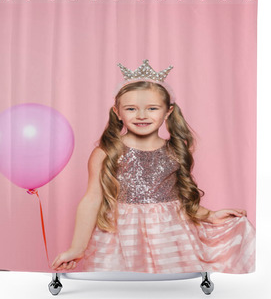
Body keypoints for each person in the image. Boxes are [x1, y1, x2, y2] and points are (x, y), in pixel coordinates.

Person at [51, 59, 255, 274]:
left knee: (171, 286)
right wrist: (77, 247)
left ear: (168, 111)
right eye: (131, 108)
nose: (141, 115)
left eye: (152, 108)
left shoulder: (175, 150)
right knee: (120, 288)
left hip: (170, 234)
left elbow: (182, 198)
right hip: (121, 237)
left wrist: (209, 215)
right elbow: (92, 199)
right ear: (117, 112)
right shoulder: (106, 152)